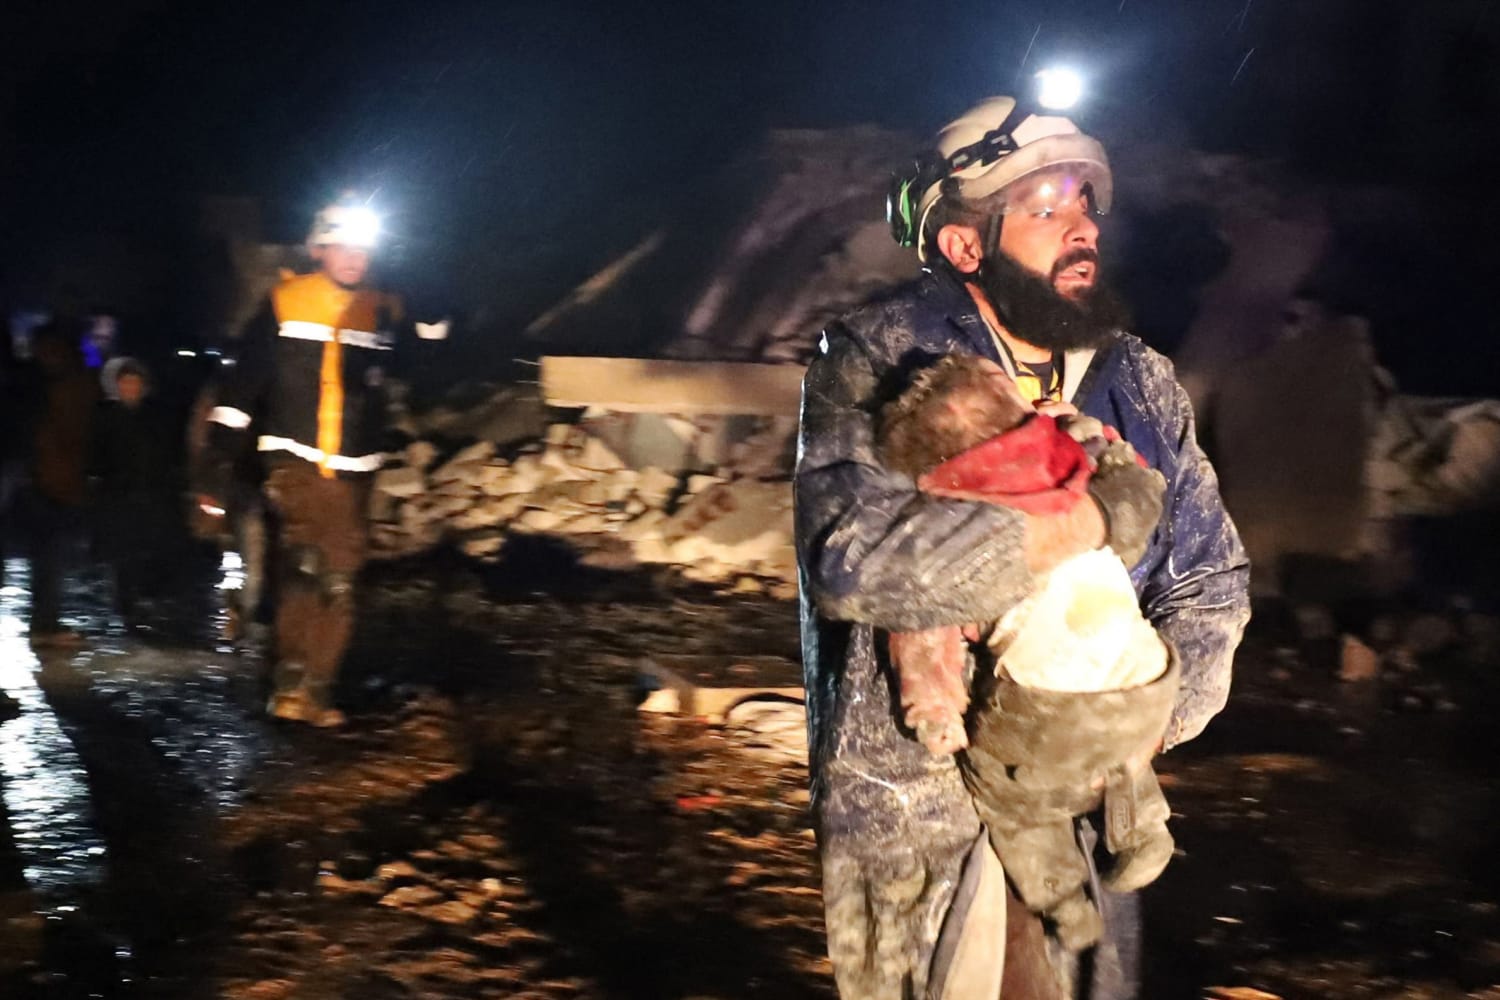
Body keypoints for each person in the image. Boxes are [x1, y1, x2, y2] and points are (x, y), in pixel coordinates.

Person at [795, 93, 1250, 999]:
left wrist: (1140, 720)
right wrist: (1081, 524)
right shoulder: (877, 361)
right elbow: (854, 557)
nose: (1081, 226)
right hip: (919, 800)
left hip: (1087, 789)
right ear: (967, 245)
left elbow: (1211, 580)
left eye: (1084, 202)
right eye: (1046, 207)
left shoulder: (1140, 384)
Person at [875, 352, 1179, 954]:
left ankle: (1062, 899)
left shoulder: (955, 526)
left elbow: (923, 626)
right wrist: (1088, 432)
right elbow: (1139, 487)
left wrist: (935, 712)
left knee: (1010, 802)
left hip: (1048, 712)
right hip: (1151, 680)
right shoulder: (1077, 468)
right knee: (1119, 743)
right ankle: (1143, 826)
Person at [197, 196, 448, 727]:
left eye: (364, 248)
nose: (355, 256)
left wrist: (425, 278)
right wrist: (217, 454)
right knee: (320, 566)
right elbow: (245, 383)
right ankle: (298, 684)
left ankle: (305, 685)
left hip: (358, 464)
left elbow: (433, 343)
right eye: (344, 246)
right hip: (298, 458)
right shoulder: (286, 302)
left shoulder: (384, 307)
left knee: (329, 576)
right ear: (321, 249)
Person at [20, 322, 99, 647]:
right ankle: (45, 624)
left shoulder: (42, 383)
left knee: (48, 557)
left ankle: (45, 622)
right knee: (50, 556)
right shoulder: (64, 385)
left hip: (50, 480)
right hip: (53, 482)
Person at [92, 358, 180, 625]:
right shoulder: (105, 416)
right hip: (119, 493)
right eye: (125, 383)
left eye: (135, 383)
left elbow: (164, 453)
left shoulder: (153, 416)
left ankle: (142, 597)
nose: (131, 387)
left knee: (147, 548)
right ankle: (126, 601)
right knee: (123, 552)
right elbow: (98, 455)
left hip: (149, 492)